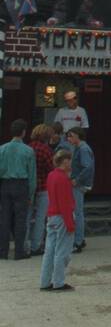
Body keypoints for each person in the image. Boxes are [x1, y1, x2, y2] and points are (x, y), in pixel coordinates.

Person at [40, 149, 76, 291]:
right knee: (62, 251)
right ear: (65, 161)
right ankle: (59, 282)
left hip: (52, 216)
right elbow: (65, 204)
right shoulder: (63, 179)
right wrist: (70, 224)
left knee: (49, 251)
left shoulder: (51, 175)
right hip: (62, 217)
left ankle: (45, 281)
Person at [0, 120, 37, 260]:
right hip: (21, 185)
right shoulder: (28, 150)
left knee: (4, 219)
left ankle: (2, 251)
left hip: (5, 184)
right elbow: (32, 175)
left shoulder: (2, 149)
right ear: (23, 132)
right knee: (20, 220)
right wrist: (31, 195)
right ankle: (19, 251)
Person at [27, 123, 54, 256]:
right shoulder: (46, 150)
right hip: (43, 186)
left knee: (27, 216)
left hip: (29, 187)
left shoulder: (28, 148)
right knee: (40, 217)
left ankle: (24, 244)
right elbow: (51, 169)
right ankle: (36, 245)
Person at [66, 127, 95, 252]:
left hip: (78, 184)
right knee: (78, 212)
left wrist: (76, 179)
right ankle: (80, 239)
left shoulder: (83, 149)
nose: (69, 138)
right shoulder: (79, 148)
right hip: (78, 183)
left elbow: (87, 167)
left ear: (78, 135)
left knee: (77, 213)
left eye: (71, 136)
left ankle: (78, 242)